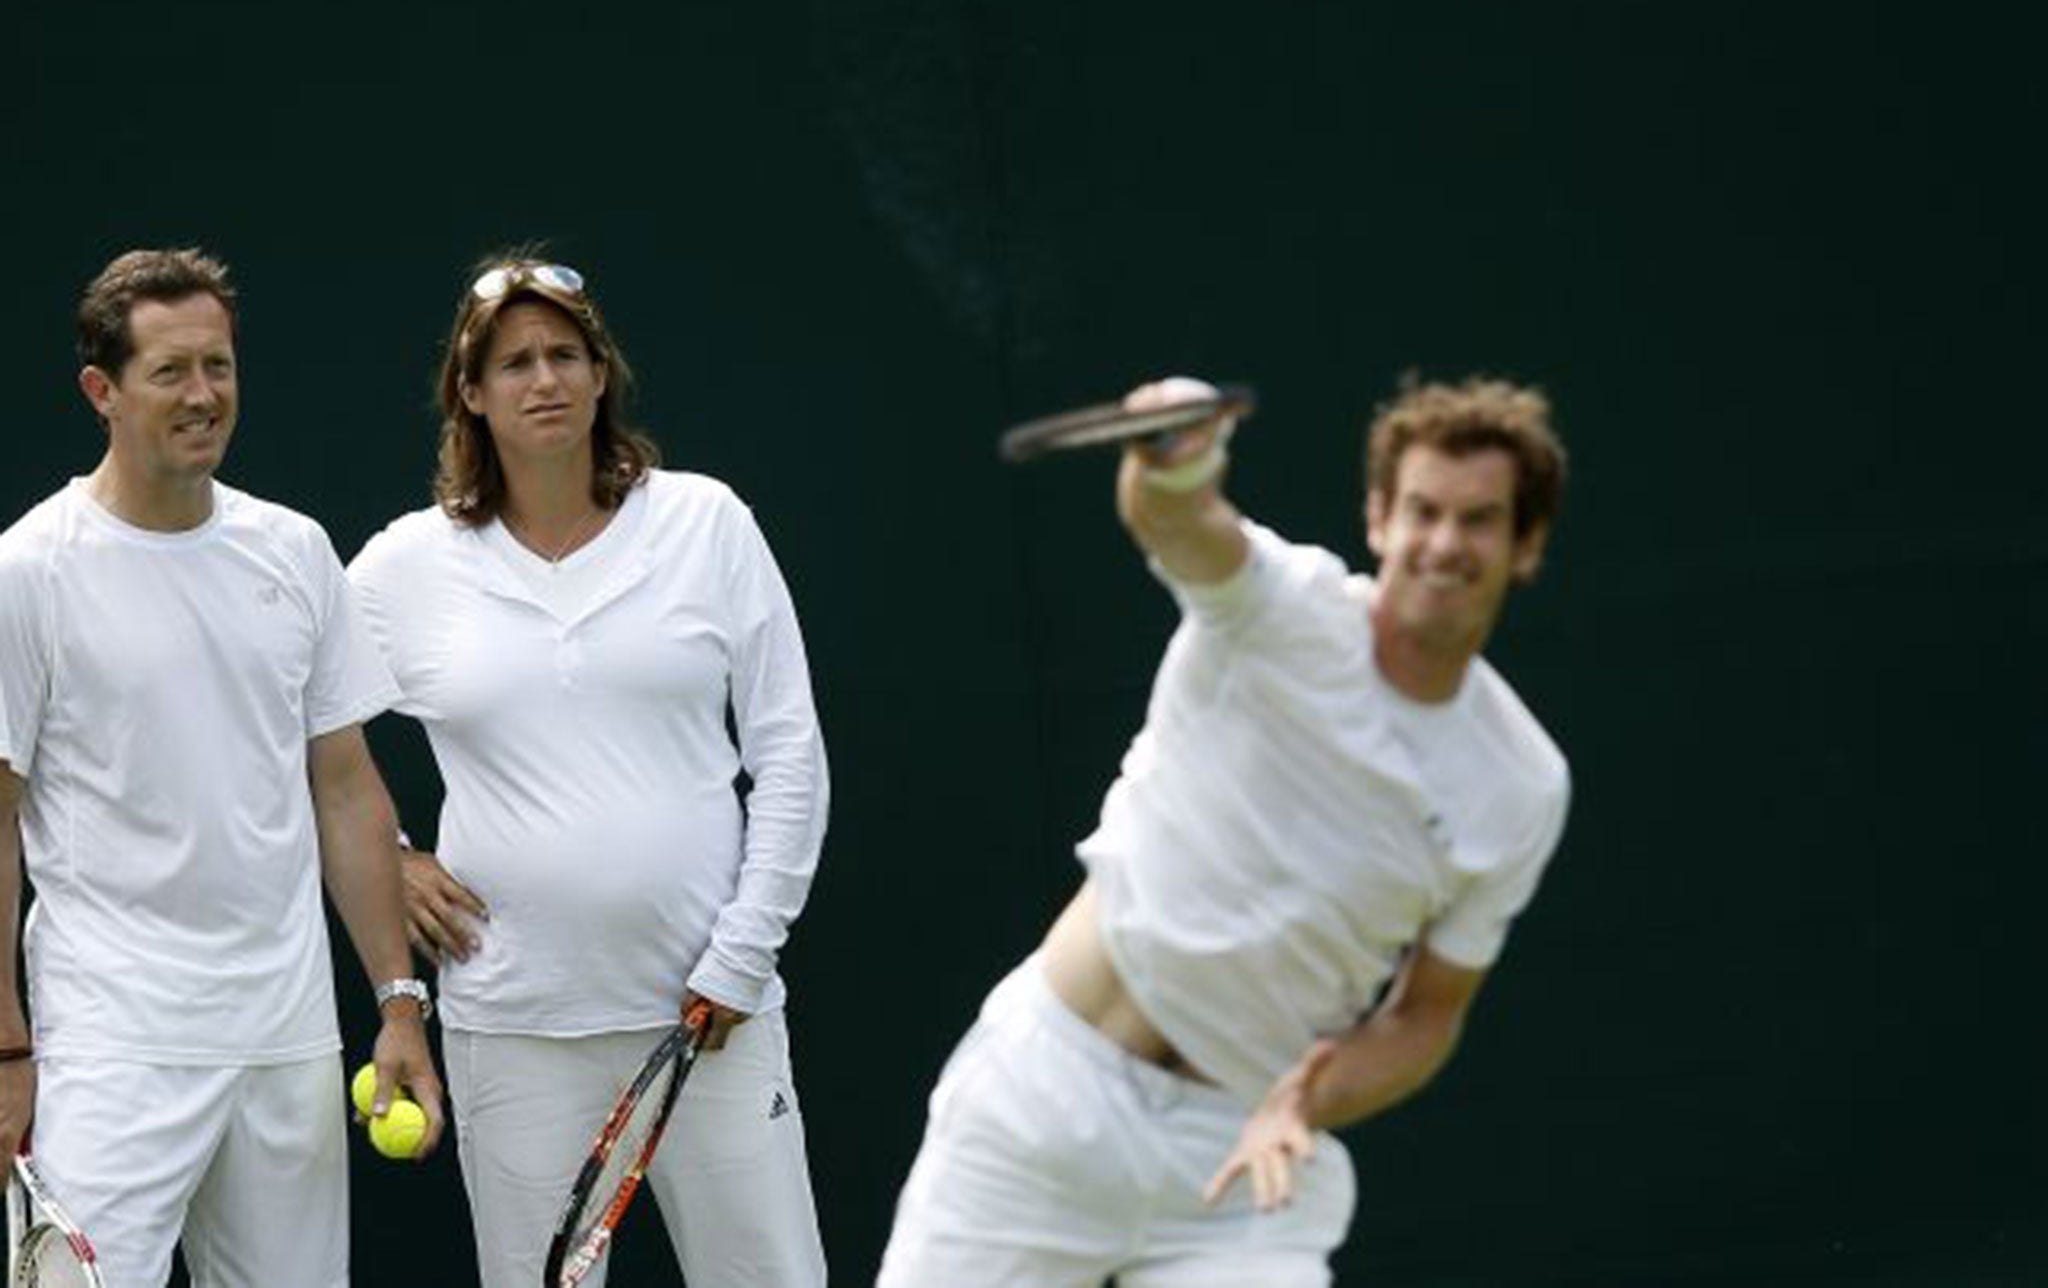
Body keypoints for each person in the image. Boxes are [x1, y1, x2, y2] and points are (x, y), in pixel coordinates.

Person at [878, 374, 1571, 1287]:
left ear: (1525, 547)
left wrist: (1309, 1099)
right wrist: (1173, 464)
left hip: (1242, 1162)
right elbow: (1180, 525)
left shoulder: (1521, 783)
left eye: (1478, 520)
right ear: (1377, 517)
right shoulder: (1283, 606)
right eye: (1422, 510)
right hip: (1046, 1102)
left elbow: (1427, 1015)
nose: (1443, 543)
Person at [347, 256, 830, 1288]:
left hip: (712, 1018)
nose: (545, 379)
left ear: (601, 375)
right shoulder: (402, 566)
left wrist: (742, 954)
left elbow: (789, 750)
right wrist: (387, 858)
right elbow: (293, 738)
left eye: (565, 354)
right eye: (514, 362)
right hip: (511, 1025)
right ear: (470, 395)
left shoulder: (706, 523)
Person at [0, 248, 443, 1288]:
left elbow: (344, 787)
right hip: (108, 1050)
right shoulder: (27, 573)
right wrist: (6, 1050)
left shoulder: (294, 554)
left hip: (285, 1046)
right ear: (101, 392)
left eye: (220, 368)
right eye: (170, 373)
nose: (204, 396)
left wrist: (396, 1002)